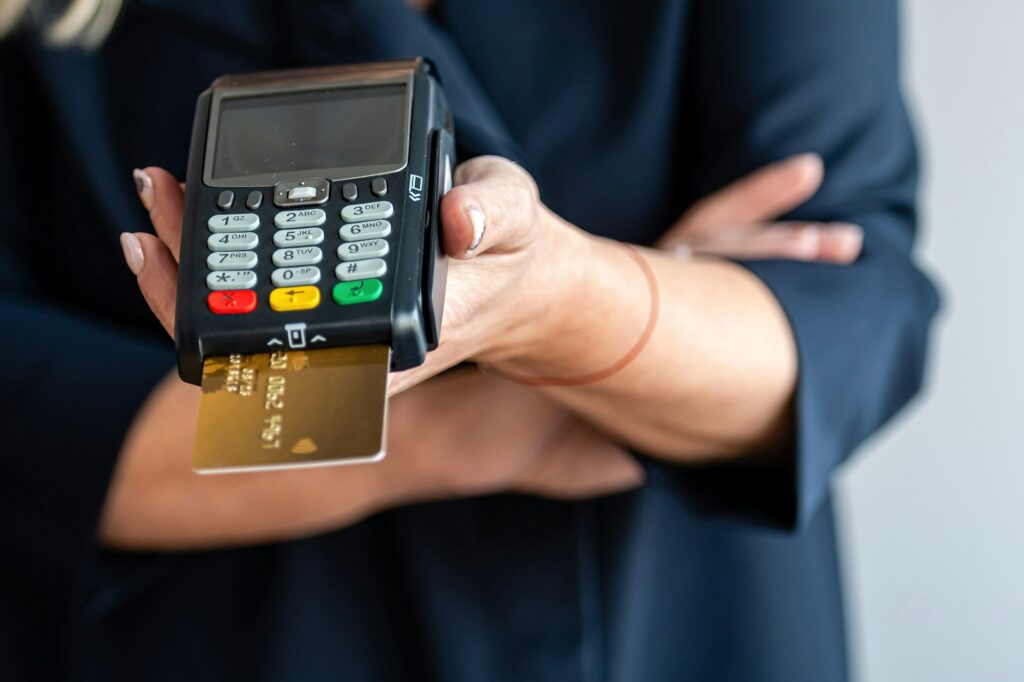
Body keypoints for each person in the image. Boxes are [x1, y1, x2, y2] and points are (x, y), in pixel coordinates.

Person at [0, 1, 938, 680]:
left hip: (675, 622)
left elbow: (835, 308)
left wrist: (564, 306)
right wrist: (495, 415)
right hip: (235, 635)